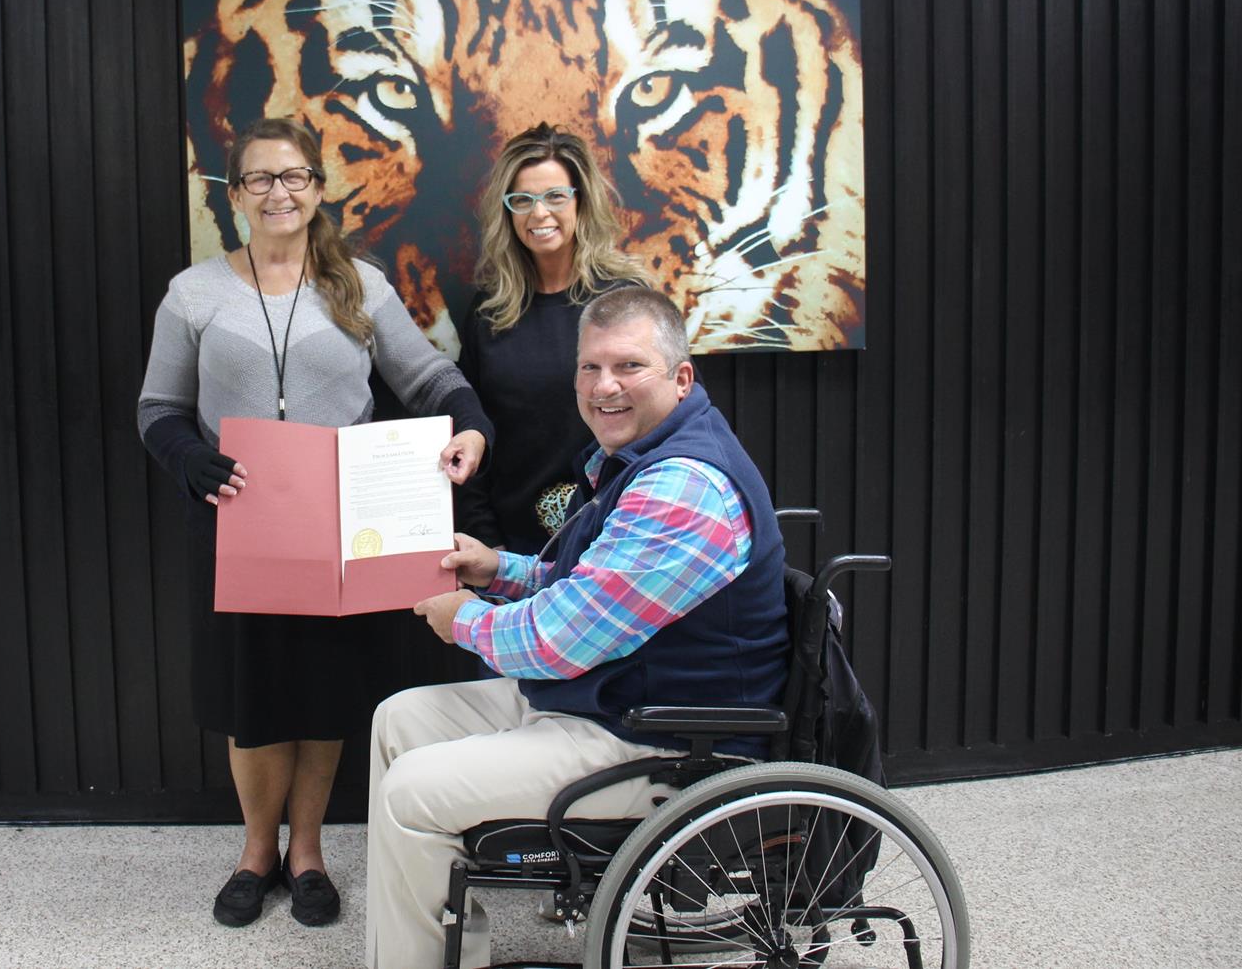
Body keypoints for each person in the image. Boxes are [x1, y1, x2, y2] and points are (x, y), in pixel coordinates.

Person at [363, 286, 790, 969]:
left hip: (660, 737)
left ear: (682, 377)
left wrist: (465, 620)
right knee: (400, 719)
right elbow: (581, 585)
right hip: (616, 697)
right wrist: (494, 566)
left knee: (412, 790)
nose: (604, 386)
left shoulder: (682, 487)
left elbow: (559, 642)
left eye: (628, 367)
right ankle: (424, 952)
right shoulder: (640, 461)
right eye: (590, 368)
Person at [138, 118, 494, 932]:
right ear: (235, 197)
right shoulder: (194, 293)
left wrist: (470, 422)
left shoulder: (358, 285)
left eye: (294, 176)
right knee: (253, 696)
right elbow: (157, 406)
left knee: (324, 695)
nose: (279, 193)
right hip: (240, 524)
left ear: (318, 188)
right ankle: (254, 852)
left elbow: (428, 374)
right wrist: (186, 457)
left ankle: (308, 855)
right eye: (260, 179)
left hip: (345, 529)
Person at [456, 123, 651, 557]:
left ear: (581, 201)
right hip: (509, 547)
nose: (538, 213)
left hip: (614, 539)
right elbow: (470, 428)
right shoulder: (491, 310)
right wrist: (488, 540)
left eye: (555, 196)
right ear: (507, 212)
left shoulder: (627, 300)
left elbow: (663, 424)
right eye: (522, 200)